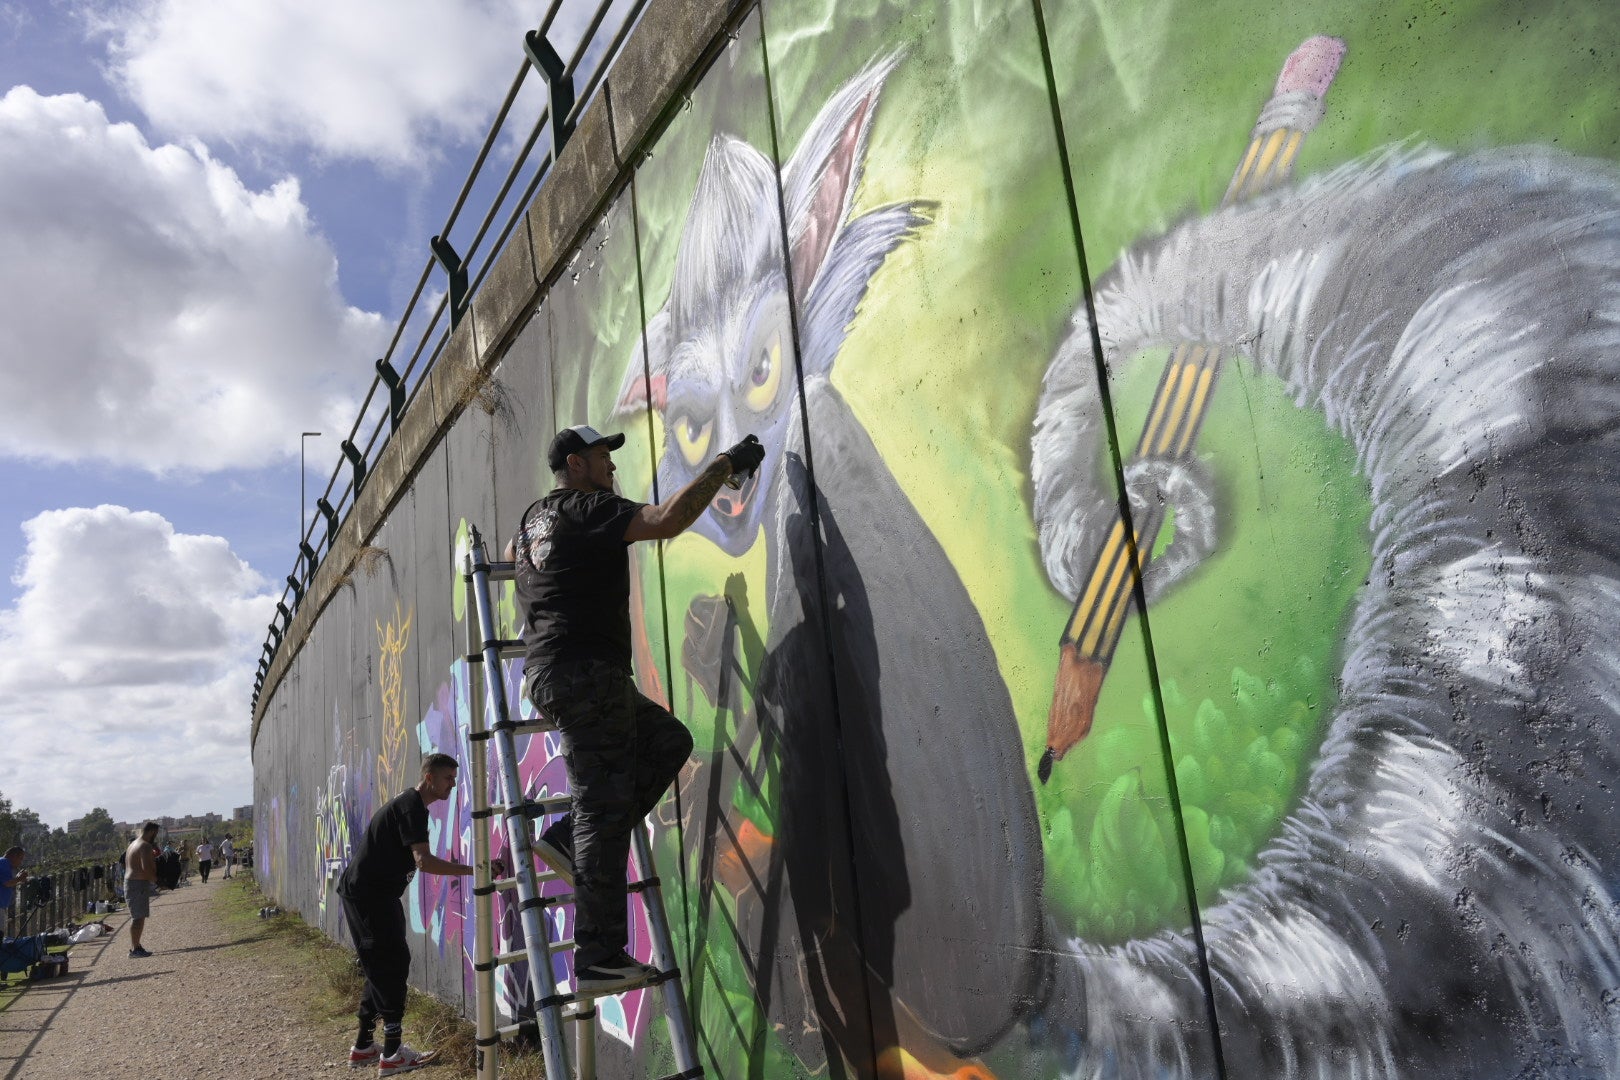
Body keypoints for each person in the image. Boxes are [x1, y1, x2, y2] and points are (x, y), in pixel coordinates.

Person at [509, 424, 763, 993]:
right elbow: (666, 521)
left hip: (559, 675)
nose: (611, 468)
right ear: (576, 464)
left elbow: (511, 556)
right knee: (600, 812)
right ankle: (598, 956)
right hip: (586, 674)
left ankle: (563, 841)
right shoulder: (589, 507)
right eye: (602, 458)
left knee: (669, 741)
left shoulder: (532, 522)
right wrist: (723, 465)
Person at [337, 753, 477, 1074]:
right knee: (392, 964)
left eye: (454, 779)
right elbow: (424, 862)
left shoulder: (410, 804)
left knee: (381, 965)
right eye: (447, 779)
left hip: (374, 894)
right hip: (370, 896)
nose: (452, 785)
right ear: (429, 778)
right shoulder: (412, 807)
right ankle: (392, 1053)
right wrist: (475, 870)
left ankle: (363, 1046)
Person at [124, 823, 160, 957]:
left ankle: (137, 945)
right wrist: (157, 881)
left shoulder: (133, 844)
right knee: (138, 917)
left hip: (132, 883)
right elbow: (146, 868)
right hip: (137, 884)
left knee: (139, 916)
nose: (155, 837)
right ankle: (135, 949)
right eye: (155, 834)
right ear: (152, 832)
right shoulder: (145, 846)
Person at [0, 847, 27, 939]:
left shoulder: (4, 864)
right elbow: (7, 883)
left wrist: (17, 878)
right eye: (20, 859)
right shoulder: (3, 863)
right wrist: (19, 878)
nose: (20, 862)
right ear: (14, 856)